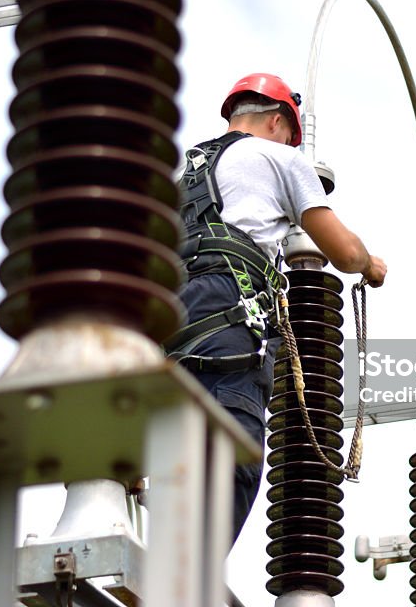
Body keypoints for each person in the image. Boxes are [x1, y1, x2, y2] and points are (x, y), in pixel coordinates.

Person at [164, 72, 387, 543]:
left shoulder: (181, 176)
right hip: (227, 315)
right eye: (291, 135)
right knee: (233, 459)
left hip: (164, 326)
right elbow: (343, 252)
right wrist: (369, 265)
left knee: (177, 459)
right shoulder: (279, 157)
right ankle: (184, 585)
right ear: (276, 120)